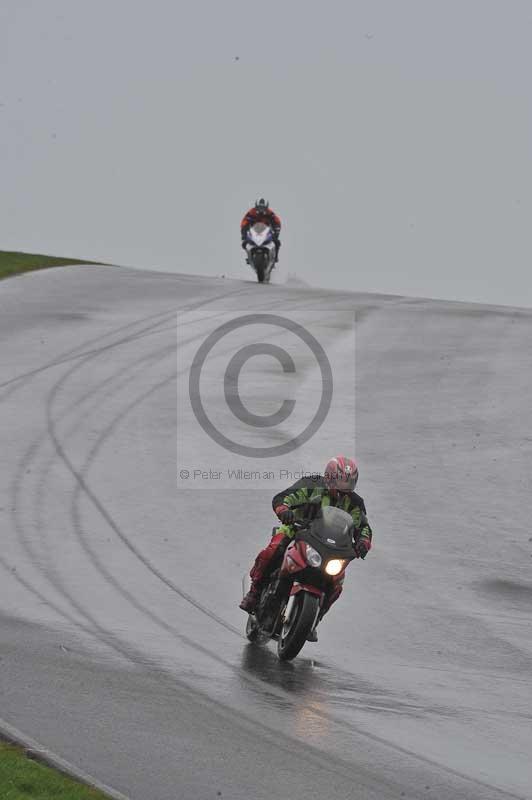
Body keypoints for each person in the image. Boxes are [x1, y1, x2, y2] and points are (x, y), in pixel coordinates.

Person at [239, 456, 373, 641]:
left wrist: (363, 542)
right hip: (297, 531)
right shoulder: (312, 484)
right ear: (329, 477)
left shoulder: (355, 503)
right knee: (275, 548)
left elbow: (363, 526)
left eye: (349, 482)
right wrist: (284, 510)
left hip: (330, 547)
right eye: (341, 481)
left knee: (337, 581)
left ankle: (315, 619)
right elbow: (283, 497)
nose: (345, 486)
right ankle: (254, 593)